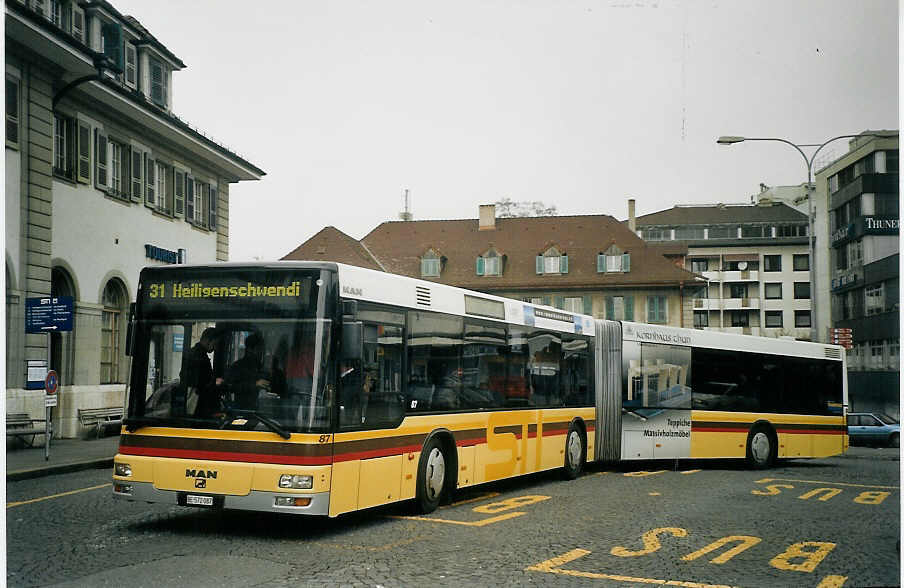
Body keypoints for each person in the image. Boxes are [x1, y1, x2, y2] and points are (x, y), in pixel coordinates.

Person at [180, 327, 222, 417]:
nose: (215, 348)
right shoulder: (199, 356)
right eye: (215, 344)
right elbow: (198, 381)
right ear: (208, 340)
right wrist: (215, 382)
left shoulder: (195, 353)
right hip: (197, 405)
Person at [225, 332, 270, 410]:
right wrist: (254, 384)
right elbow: (231, 387)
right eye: (258, 349)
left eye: (262, 349)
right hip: (242, 411)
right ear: (249, 349)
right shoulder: (237, 366)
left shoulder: (260, 367)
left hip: (260, 411)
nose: (261, 352)